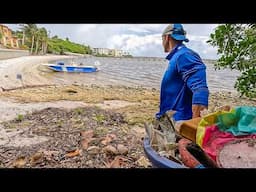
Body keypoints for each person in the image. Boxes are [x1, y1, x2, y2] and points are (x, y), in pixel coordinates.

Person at [156, 24, 209, 125]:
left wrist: (192, 129)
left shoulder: (184, 55)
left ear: (167, 37)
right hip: (170, 120)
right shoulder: (177, 56)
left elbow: (200, 90)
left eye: (162, 39)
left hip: (180, 123)